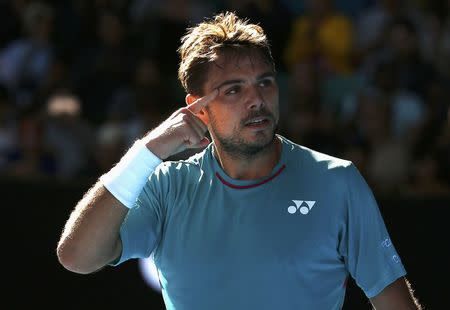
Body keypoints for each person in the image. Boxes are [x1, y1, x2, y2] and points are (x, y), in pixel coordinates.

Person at [56, 11, 422, 310]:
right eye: (233, 89)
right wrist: (147, 150)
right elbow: (76, 257)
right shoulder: (165, 186)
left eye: (265, 82)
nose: (257, 99)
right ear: (197, 110)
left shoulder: (338, 181)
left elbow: (395, 304)